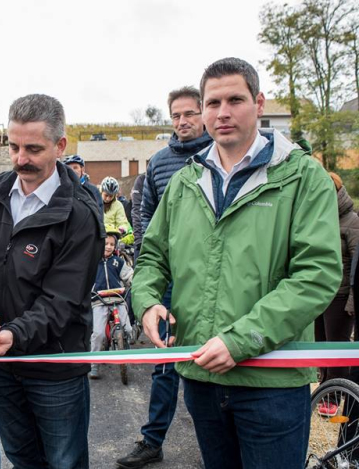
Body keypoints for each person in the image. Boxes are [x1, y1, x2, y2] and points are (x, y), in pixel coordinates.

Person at [133, 57, 342, 469]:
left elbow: (317, 275)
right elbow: (152, 257)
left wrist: (240, 340)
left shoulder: (302, 178)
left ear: (259, 103)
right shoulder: (185, 183)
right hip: (201, 377)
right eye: (213, 103)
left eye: (235, 99)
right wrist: (147, 302)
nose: (222, 113)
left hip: (272, 382)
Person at [0, 94, 104, 469]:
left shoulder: (80, 213)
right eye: (14, 146)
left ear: (60, 146)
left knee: (64, 462)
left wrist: (14, 335)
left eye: (33, 149)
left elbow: (63, 300)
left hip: (55, 368)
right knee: (21, 459)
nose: (21, 159)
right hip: (2, 366)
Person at [117, 86, 213, 469]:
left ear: (203, 113)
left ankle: (216, 446)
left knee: (212, 362)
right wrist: (148, 279)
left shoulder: (217, 154)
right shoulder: (158, 164)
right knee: (165, 364)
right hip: (171, 282)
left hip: (212, 281)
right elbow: (147, 224)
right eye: (176, 115)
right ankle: (152, 440)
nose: (183, 121)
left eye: (190, 113)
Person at [314, 172, 359, 415]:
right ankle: (325, 387)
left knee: (337, 347)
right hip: (320, 294)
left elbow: (356, 264)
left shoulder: (351, 221)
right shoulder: (320, 219)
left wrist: (352, 301)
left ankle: (334, 395)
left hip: (341, 297)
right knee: (320, 345)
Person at [89, 231, 133, 379]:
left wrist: (135, 282)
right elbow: (85, 280)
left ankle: (125, 350)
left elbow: (128, 275)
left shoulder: (118, 262)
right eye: (105, 243)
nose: (108, 247)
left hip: (117, 298)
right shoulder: (93, 262)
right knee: (98, 334)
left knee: (128, 328)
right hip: (99, 300)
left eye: (111, 244)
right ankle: (93, 365)